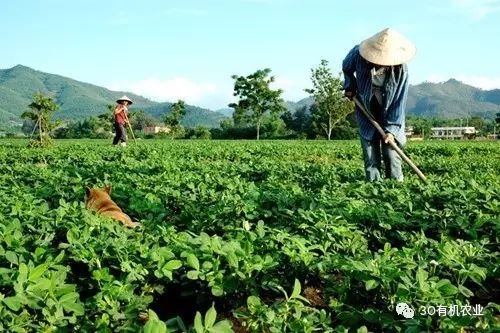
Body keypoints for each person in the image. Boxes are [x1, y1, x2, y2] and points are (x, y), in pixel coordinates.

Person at [342, 28, 416, 182]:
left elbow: (398, 102)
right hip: (366, 105)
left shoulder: (401, 70)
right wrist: (350, 86)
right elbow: (346, 67)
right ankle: (374, 188)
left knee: (391, 151)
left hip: (390, 109)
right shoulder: (357, 53)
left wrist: (391, 131)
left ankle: (395, 188)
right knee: (370, 151)